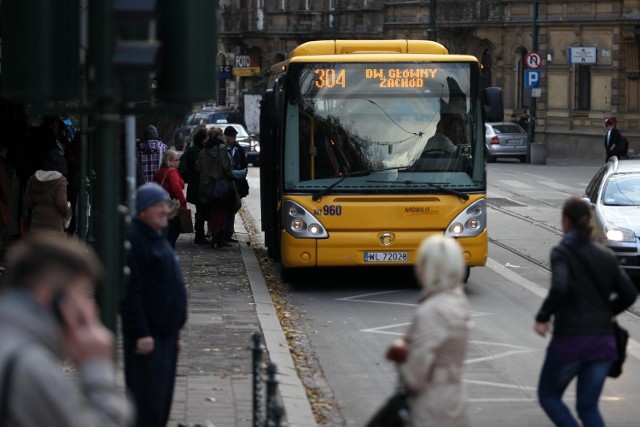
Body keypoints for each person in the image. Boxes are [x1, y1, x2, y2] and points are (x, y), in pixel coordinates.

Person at [0, 234, 133, 427]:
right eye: (81, 293)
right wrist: (97, 365)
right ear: (53, 298)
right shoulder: (29, 366)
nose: (88, 307)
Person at [534, 197, 637, 427]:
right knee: (588, 406)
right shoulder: (605, 255)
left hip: (571, 339)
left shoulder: (563, 251)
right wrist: (605, 311)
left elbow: (560, 287)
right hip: (603, 341)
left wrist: (543, 317)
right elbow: (629, 293)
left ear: (566, 221)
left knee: (549, 396)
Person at [120, 182, 187, 427]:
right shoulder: (136, 242)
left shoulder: (156, 236)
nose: (164, 210)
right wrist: (141, 334)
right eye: (157, 205)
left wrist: (175, 332)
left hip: (166, 336)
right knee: (147, 406)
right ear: (142, 211)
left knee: (161, 404)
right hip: (149, 339)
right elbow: (131, 293)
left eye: (164, 205)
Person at [386, 235, 471, 426]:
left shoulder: (432, 311)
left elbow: (414, 378)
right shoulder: (459, 302)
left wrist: (401, 351)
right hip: (455, 401)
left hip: (430, 409)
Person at [197, 127, 235, 249]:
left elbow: (198, 167)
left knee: (213, 211)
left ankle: (214, 236)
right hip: (220, 185)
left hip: (206, 185)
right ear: (219, 137)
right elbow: (226, 166)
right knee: (222, 211)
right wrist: (231, 176)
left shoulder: (203, 150)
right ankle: (219, 238)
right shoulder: (222, 148)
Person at [22, 150, 71, 235]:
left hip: (36, 221)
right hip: (54, 223)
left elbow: (27, 200)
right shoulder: (60, 180)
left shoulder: (33, 178)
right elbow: (61, 202)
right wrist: (66, 214)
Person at [180, 128, 209, 245]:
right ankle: (199, 235)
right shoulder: (196, 151)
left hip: (197, 185)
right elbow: (198, 167)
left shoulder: (196, 150)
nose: (207, 141)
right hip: (197, 185)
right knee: (200, 210)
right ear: (201, 139)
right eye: (206, 138)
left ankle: (200, 234)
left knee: (200, 210)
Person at [154, 150, 186, 249]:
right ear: (170, 161)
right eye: (177, 160)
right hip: (171, 207)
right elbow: (176, 189)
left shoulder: (160, 171)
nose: (179, 162)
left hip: (160, 205)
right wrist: (183, 202)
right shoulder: (172, 171)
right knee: (172, 233)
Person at [223, 125, 248, 243]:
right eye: (231, 136)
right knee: (224, 208)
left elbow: (244, 165)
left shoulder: (239, 149)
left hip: (236, 184)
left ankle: (229, 233)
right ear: (226, 136)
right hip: (224, 183)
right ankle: (221, 232)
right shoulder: (222, 149)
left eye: (234, 136)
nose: (234, 138)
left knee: (233, 207)